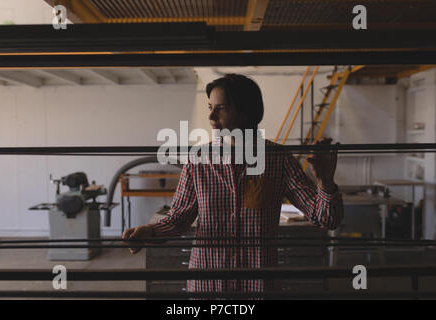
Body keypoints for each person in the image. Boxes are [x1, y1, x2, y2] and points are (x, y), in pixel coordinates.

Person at [122, 74, 343, 293]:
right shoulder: (199, 159)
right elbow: (179, 219)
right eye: (210, 107)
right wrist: (150, 232)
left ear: (246, 112)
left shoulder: (278, 159)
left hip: (259, 287)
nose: (211, 116)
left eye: (222, 108)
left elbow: (327, 219)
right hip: (207, 286)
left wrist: (325, 182)